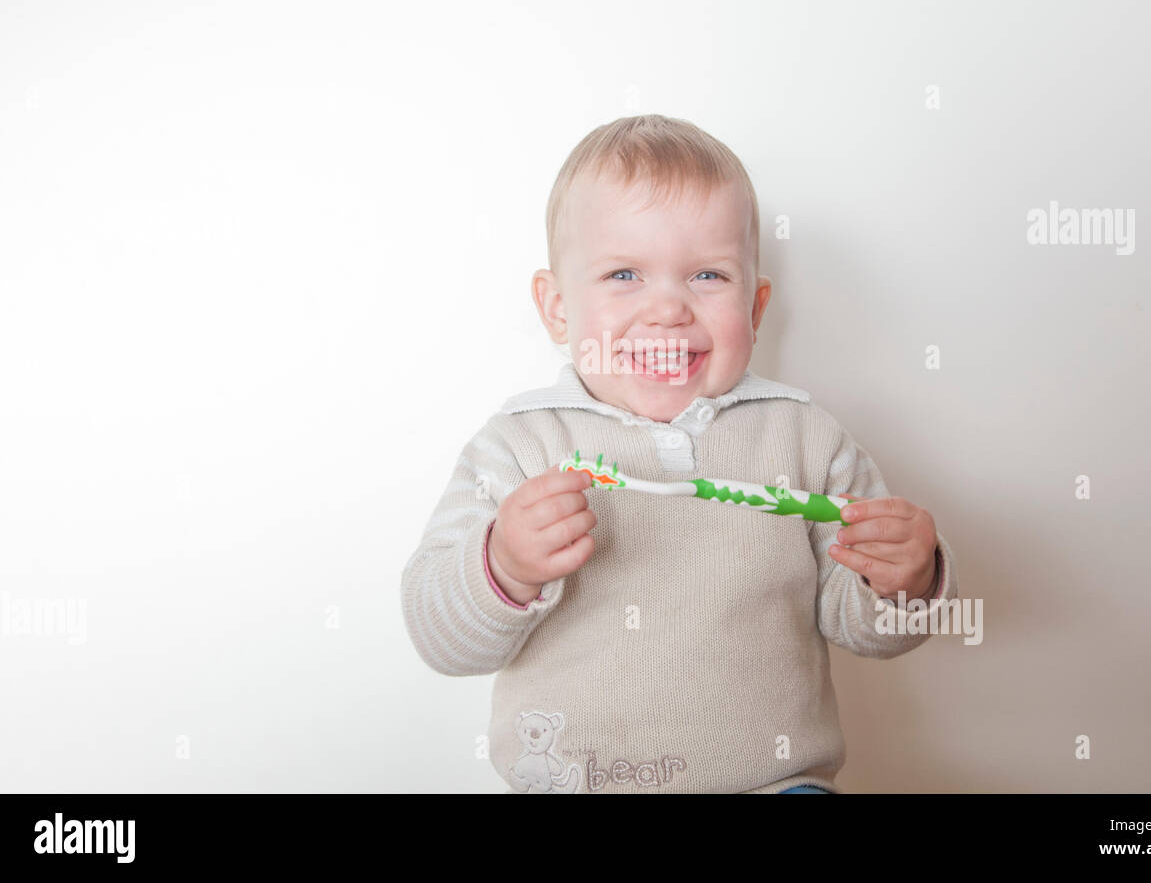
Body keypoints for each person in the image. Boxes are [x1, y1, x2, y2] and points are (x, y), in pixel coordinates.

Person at [401, 114, 957, 793]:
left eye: (706, 276)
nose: (667, 308)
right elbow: (439, 638)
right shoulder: (518, 445)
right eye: (624, 273)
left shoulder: (806, 436)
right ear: (556, 308)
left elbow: (867, 630)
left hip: (776, 785)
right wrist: (503, 564)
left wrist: (904, 581)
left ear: (755, 309)